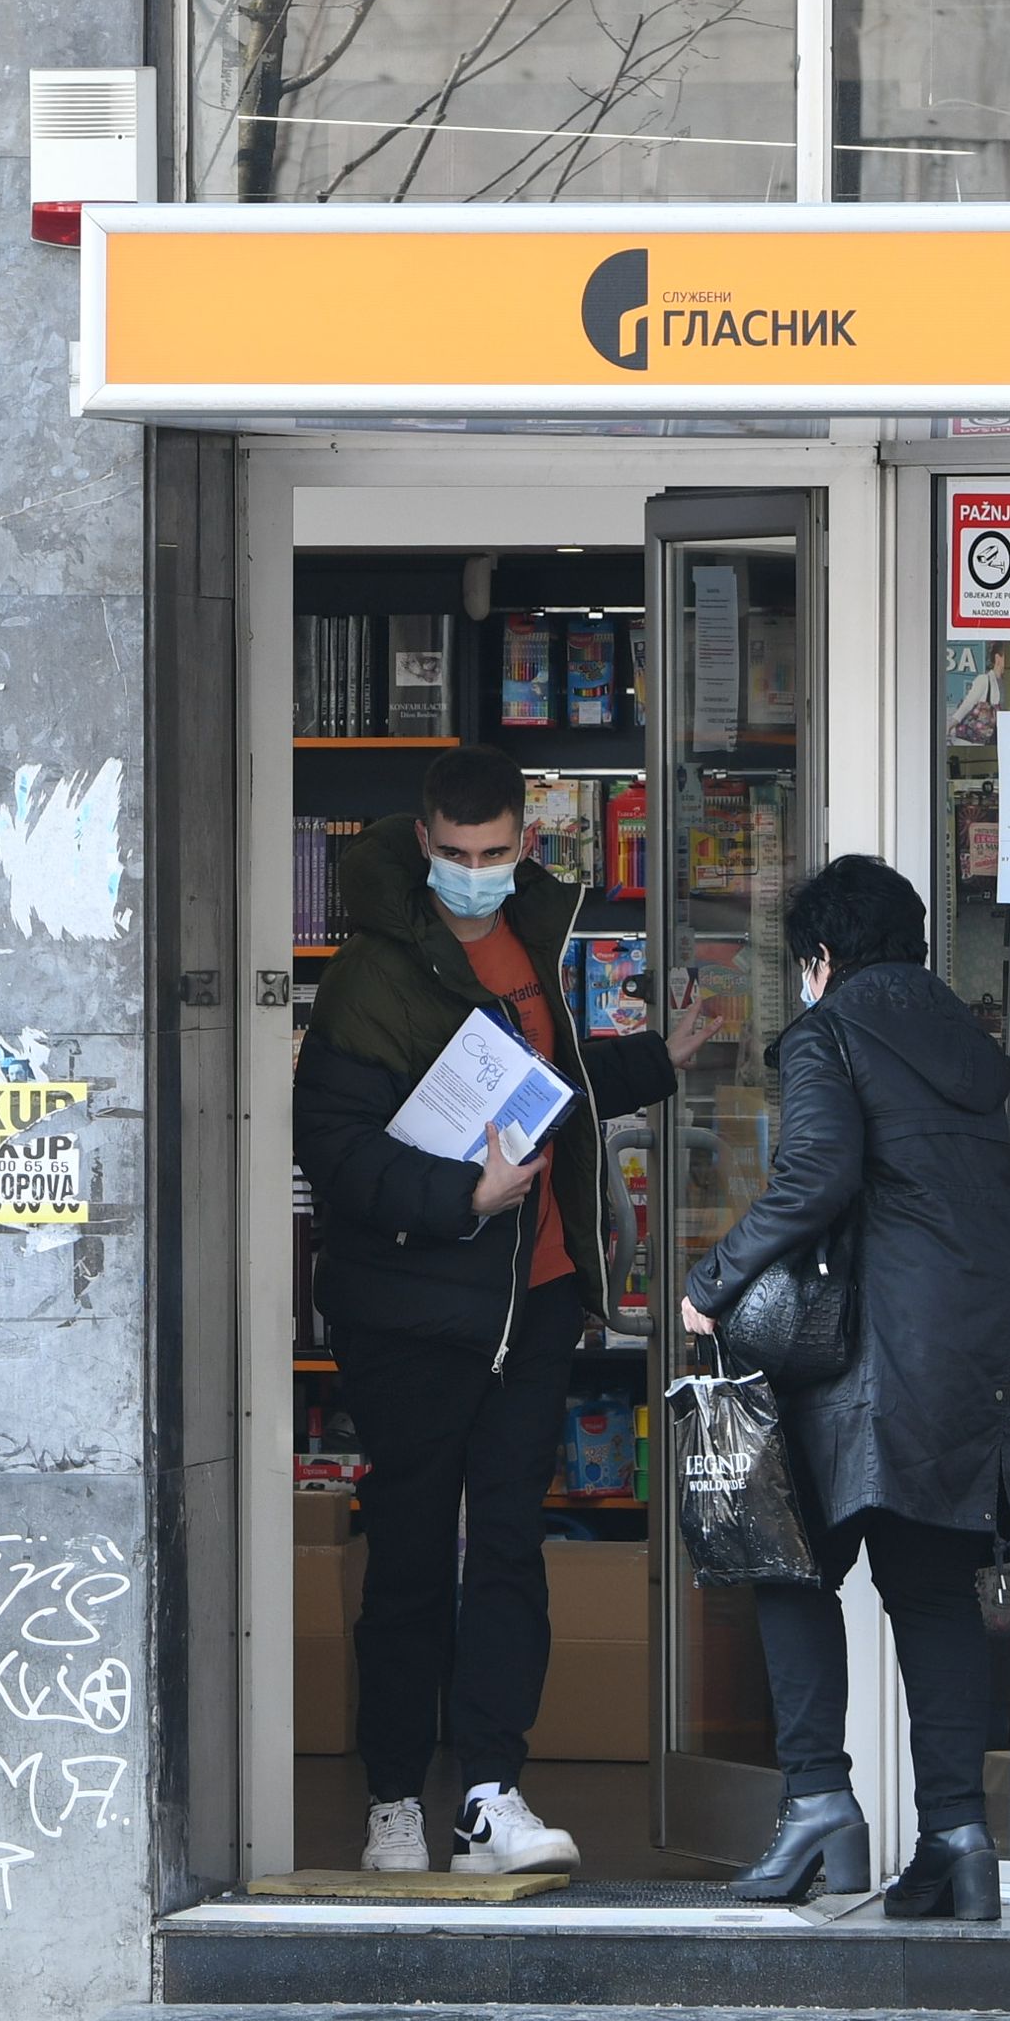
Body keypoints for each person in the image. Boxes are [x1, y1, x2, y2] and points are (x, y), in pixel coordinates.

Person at [293, 745, 712, 1877]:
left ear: (523, 841)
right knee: (416, 1561)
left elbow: (546, 1079)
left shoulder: (536, 939)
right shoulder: (368, 976)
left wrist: (654, 1064)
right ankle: (393, 1800)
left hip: (534, 1305)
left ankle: (487, 1792)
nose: (473, 872)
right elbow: (329, 1150)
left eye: (492, 852)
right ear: (420, 843)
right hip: (417, 1316)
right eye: (453, 854)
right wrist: (460, 1196)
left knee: (511, 1555)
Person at [678, 855, 1010, 1919]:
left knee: (788, 1557)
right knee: (932, 1589)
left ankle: (818, 1802)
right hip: (986, 1346)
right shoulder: (967, 1046)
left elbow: (816, 1174)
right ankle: (957, 1836)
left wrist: (711, 1283)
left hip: (877, 1351)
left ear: (819, 959)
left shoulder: (829, 1029)